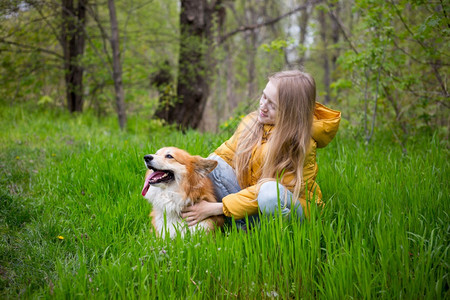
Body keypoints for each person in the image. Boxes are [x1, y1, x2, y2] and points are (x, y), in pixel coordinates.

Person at [181, 70, 341, 227]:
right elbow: (221, 158)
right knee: (214, 163)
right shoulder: (252, 123)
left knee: (270, 193)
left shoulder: (300, 143)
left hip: (289, 210)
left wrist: (215, 208)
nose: (263, 106)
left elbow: (270, 193)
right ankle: (215, 221)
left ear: (291, 113)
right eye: (264, 97)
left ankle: (280, 238)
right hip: (253, 203)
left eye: (272, 105)